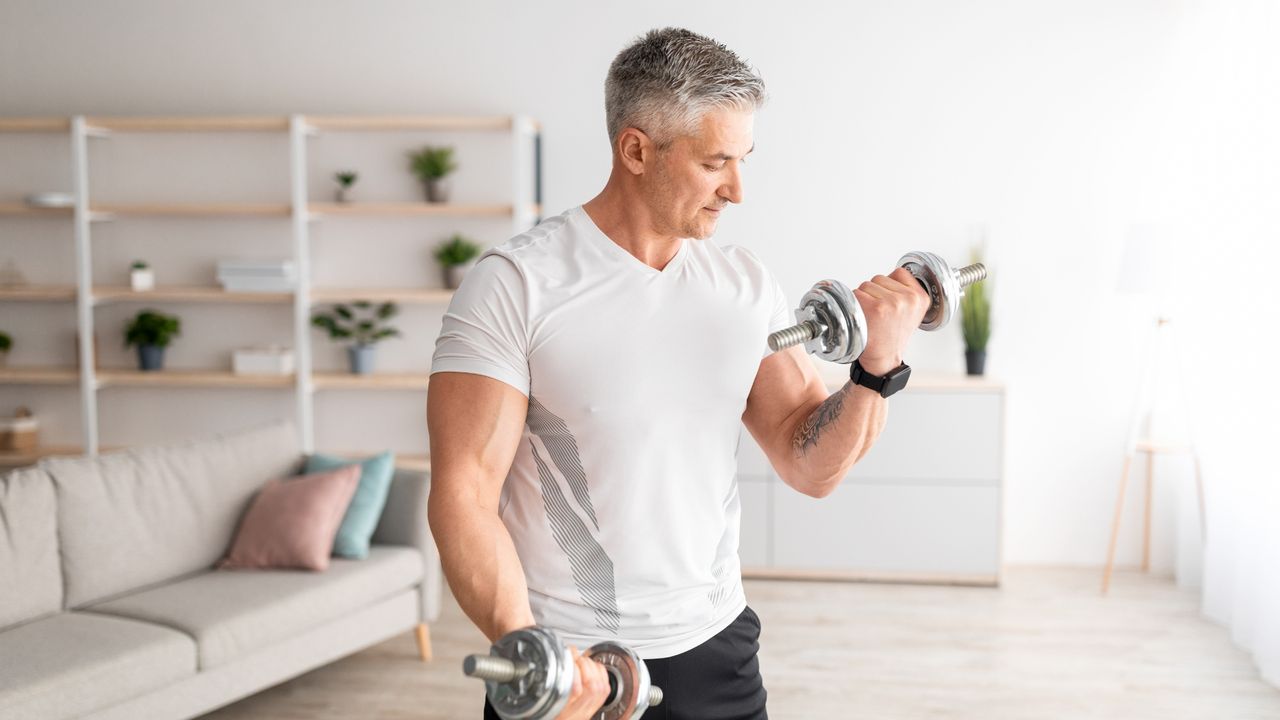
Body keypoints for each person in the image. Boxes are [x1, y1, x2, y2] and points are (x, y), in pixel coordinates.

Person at [427, 27, 930, 720]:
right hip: (577, 665)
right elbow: (464, 493)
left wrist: (877, 369)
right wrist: (528, 649)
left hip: (716, 650)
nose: (739, 189)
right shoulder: (517, 284)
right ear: (636, 149)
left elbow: (809, 465)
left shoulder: (742, 283)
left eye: (744, 159)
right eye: (717, 162)